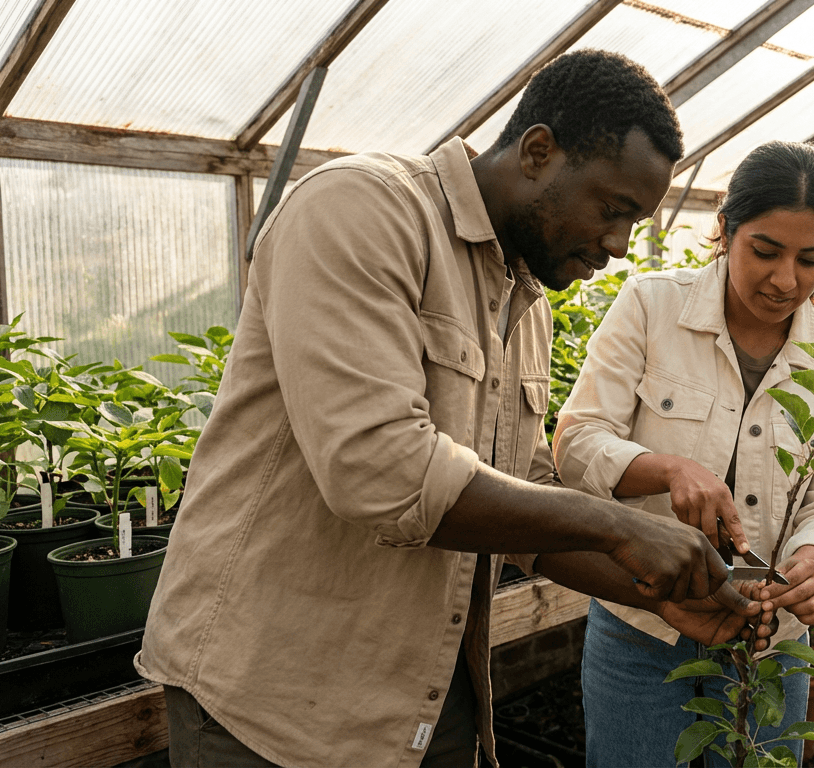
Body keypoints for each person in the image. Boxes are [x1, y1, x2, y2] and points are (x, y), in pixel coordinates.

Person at [136, 50, 769, 768]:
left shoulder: (524, 299)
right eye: (612, 209)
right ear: (538, 151)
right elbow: (381, 470)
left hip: (423, 702)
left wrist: (655, 595)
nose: (620, 245)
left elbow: (524, 511)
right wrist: (620, 526)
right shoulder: (361, 210)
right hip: (274, 706)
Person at [551, 140, 814, 766]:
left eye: (812, 260)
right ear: (724, 230)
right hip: (639, 626)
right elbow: (577, 440)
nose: (786, 281)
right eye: (765, 251)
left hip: (767, 637)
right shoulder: (651, 307)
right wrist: (668, 468)